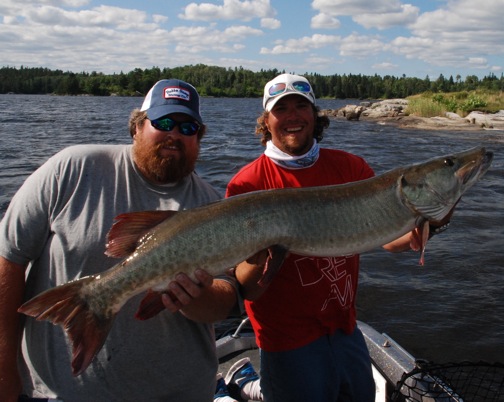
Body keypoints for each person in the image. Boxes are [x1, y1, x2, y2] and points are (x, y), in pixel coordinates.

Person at [0, 79, 238, 402]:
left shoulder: (212, 205)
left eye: (188, 127)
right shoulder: (71, 170)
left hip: (182, 392)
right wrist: (4, 368)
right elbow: (9, 257)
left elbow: (226, 299)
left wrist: (197, 297)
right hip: (61, 394)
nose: (175, 134)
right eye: (163, 123)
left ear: (199, 138)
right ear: (137, 127)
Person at [226, 73, 449, 401]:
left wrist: (434, 222)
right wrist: (262, 255)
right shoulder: (247, 184)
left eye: (301, 106)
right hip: (286, 339)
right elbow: (242, 283)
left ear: (314, 114)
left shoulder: (351, 167)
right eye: (281, 108)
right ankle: (248, 386)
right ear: (266, 120)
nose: (292, 116)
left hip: (344, 328)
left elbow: (390, 238)